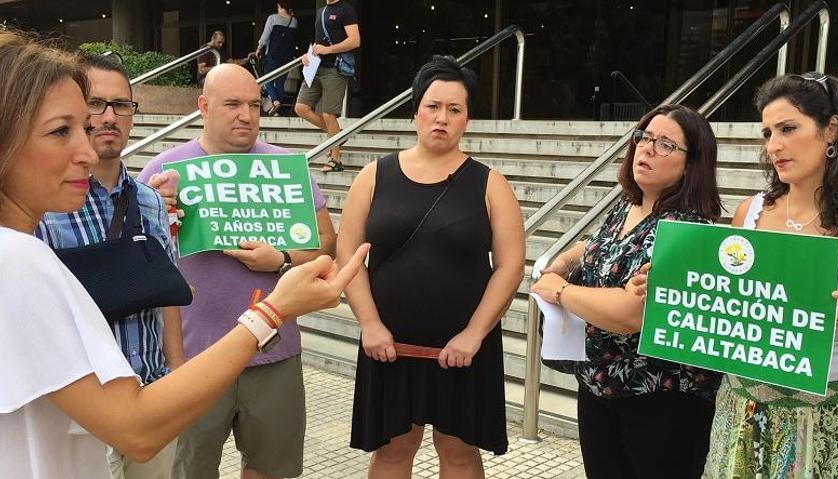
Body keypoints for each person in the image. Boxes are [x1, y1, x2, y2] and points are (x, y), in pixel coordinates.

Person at [0, 28, 368, 479]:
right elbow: (135, 427)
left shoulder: (135, 201)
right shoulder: (19, 259)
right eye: (63, 130)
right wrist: (273, 311)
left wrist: (284, 263)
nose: (87, 146)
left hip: (167, 382)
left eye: (255, 105)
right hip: (174, 376)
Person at [139, 63, 337, 479]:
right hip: (193, 357)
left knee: (272, 469)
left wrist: (281, 259)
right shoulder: (164, 171)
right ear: (203, 107)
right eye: (232, 104)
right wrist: (159, 212)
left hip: (274, 352)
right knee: (189, 469)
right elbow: (139, 256)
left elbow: (324, 241)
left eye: (253, 104)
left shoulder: (286, 169)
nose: (246, 115)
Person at [337, 55, 525, 479]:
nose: (442, 118)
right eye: (433, 106)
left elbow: (511, 266)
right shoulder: (374, 176)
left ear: (467, 120)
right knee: (392, 450)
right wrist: (369, 323)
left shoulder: (490, 183)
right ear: (416, 111)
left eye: (454, 110)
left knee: (459, 451)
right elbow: (349, 258)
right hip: (386, 343)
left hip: (464, 347)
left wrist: (475, 334)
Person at [691, 73, 838, 478]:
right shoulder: (750, 213)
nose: (774, 145)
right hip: (743, 412)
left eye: (788, 128)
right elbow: (727, 303)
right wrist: (676, 282)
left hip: (834, 422)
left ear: (831, 130)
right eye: (767, 133)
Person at [531, 104, 723, 479]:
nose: (647, 149)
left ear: (692, 163)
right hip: (599, 387)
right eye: (645, 137)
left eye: (666, 144)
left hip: (660, 400)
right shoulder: (627, 207)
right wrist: (564, 262)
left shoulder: (690, 231)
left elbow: (630, 315)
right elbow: (595, 245)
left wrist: (560, 290)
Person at [33, 53, 183, 479]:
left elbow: (167, 299)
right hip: (76, 416)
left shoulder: (151, 202)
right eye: (96, 105)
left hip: (150, 399)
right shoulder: (41, 206)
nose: (109, 117)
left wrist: (176, 377)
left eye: (122, 105)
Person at [294, 0, 360, 173]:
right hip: (316, 67)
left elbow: (355, 40)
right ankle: (338, 135)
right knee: (301, 107)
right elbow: (319, 42)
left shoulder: (346, 10)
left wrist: (328, 50)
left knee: (329, 114)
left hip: (335, 69)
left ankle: (336, 159)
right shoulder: (321, 12)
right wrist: (307, 55)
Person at [254, 0, 298, 116]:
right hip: (287, 58)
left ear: (278, 6)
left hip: (273, 55)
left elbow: (265, 37)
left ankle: (275, 100)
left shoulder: (273, 18)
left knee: (267, 78)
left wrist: (259, 48)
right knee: (280, 81)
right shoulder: (294, 21)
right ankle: (276, 110)